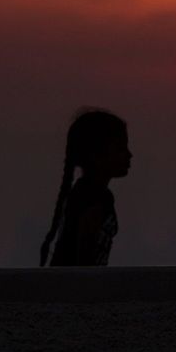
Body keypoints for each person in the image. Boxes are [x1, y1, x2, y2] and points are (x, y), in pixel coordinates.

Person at [39, 109, 132, 267]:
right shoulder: (95, 197)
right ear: (96, 155)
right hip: (77, 287)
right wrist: (90, 285)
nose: (129, 155)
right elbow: (85, 255)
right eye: (120, 148)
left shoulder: (83, 192)